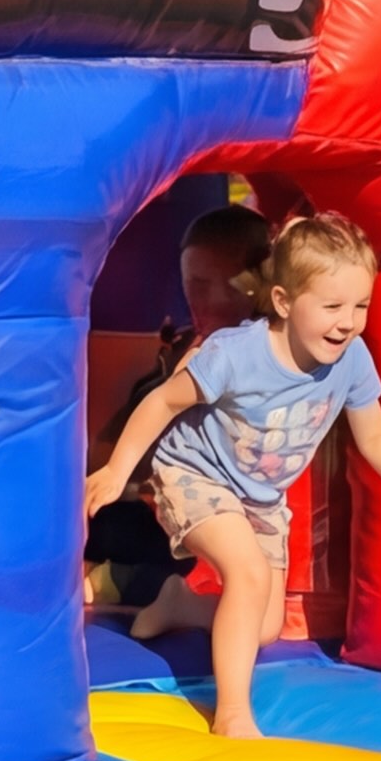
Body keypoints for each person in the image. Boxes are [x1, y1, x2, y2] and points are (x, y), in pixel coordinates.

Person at [85, 215, 381, 741]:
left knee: (264, 625)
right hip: (194, 473)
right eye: (332, 307)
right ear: (283, 301)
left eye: (361, 306)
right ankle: (232, 713)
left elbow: (375, 436)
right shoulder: (237, 354)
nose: (348, 322)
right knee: (248, 575)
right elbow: (163, 401)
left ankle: (182, 603)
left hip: (260, 497)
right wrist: (118, 471)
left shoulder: (351, 360)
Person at [89, 202, 271, 616]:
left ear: (253, 287)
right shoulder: (191, 344)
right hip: (165, 508)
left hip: (211, 524)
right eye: (190, 285)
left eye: (205, 286)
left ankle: (116, 581)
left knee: (182, 560)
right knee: (88, 522)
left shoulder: (252, 353)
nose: (195, 300)